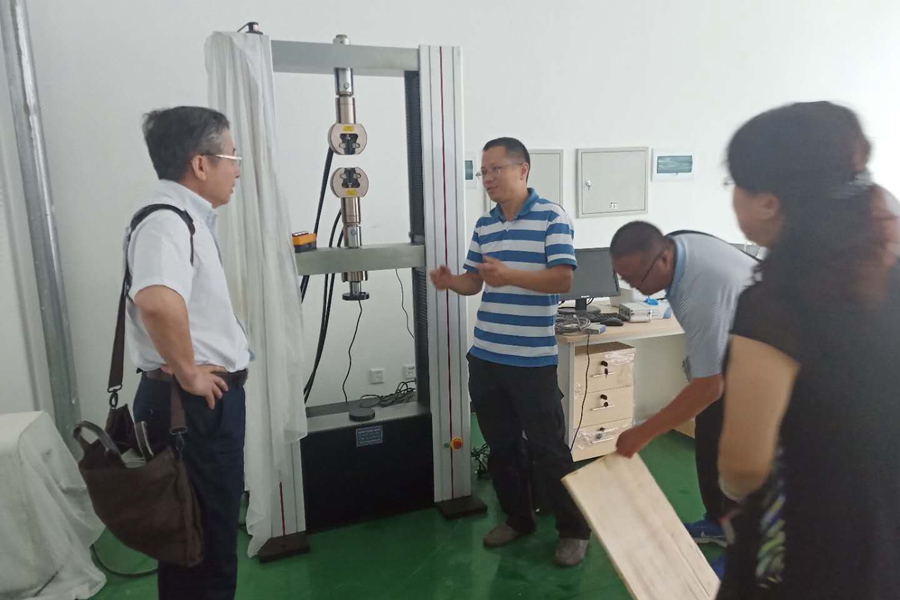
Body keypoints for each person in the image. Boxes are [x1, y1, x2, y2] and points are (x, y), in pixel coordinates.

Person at [716, 101, 900, 599]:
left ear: (768, 202)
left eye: (735, 183)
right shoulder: (889, 272)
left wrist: (735, 496)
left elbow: (744, 464)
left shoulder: (777, 304)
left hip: (814, 542)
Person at [430, 137, 591, 567]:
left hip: (532, 361)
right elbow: (475, 281)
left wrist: (510, 274)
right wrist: (451, 282)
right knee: (501, 447)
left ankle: (574, 530)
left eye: (495, 169)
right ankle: (518, 519)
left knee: (548, 449)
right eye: (483, 171)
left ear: (523, 169)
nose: (487, 178)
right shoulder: (485, 224)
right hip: (486, 356)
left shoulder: (552, 217)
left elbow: (562, 280)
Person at [126, 106, 250, 600]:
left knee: (194, 540)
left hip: (194, 404)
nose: (237, 170)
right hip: (191, 407)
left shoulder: (182, 218)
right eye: (232, 157)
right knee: (205, 546)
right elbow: (156, 301)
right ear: (201, 163)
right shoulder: (167, 221)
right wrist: (190, 373)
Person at [610, 221, 756, 573]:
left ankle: (745, 553)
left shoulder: (700, 294)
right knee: (709, 437)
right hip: (735, 341)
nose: (633, 286)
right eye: (624, 278)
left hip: (769, 354)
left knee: (741, 456)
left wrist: (644, 432)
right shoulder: (675, 246)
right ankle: (718, 521)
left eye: (637, 278)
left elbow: (709, 387)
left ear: (663, 259)